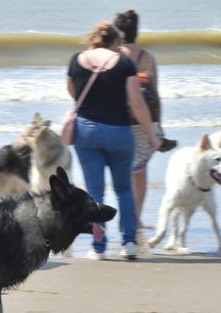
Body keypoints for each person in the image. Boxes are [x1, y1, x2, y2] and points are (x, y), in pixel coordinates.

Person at [67, 21, 157, 260]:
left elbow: (72, 91)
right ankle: (129, 243)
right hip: (119, 132)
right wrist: (150, 133)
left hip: (86, 132)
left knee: (95, 192)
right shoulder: (125, 63)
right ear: (116, 42)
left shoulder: (76, 60)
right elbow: (137, 103)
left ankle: (99, 247)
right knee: (124, 189)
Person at [114, 10, 177, 229]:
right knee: (139, 171)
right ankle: (136, 218)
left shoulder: (113, 55)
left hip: (118, 119)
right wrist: (158, 127)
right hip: (144, 121)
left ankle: (124, 217)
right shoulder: (147, 58)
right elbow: (155, 94)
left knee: (121, 171)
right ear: (136, 31)